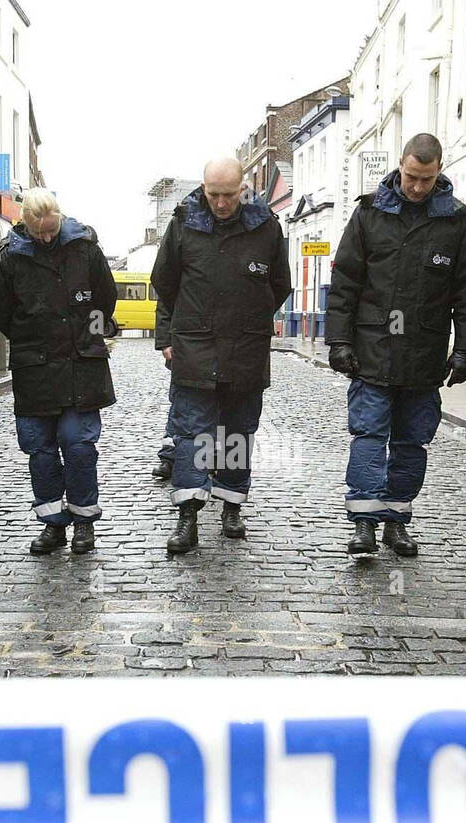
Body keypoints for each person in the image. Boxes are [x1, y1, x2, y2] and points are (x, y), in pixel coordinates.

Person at [325, 134, 466, 557]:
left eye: (427, 179)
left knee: (413, 443)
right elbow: (344, 283)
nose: (417, 187)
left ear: (439, 173)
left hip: (423, 355)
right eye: (412, 177)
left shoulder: (456, 222)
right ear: (400, 166)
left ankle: (396, 520)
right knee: (369, 437)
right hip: (371, 352)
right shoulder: (369, 214)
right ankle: (363, 524)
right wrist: (339, 340)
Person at [151, 157, 292, 553]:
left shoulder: (266, 228)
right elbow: (165, 284)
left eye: (229, 194)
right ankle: (188, 517)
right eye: (213, 194)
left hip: (245, 350)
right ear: (203, 188)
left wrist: (250, 316)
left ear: (243, 187)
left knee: (236, 432)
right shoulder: (183, 223)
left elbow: (279, 284)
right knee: (192, 435)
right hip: (194, 349)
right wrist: (168, 337)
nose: (221, 203)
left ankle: (231, 507)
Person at [0, 189, 117, 555]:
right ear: (24, 224)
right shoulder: (10, 258)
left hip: (81, 366)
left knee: (78, 446)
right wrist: (32, 336)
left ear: (60, 218)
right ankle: (51, 524)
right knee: (40, 450)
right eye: (37, 232)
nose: (45, 238)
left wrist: (87, 339)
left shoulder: (85, 249)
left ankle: (83, 523)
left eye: (50, 230)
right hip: (35, 369)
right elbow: (0, 308)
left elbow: (105, 300)